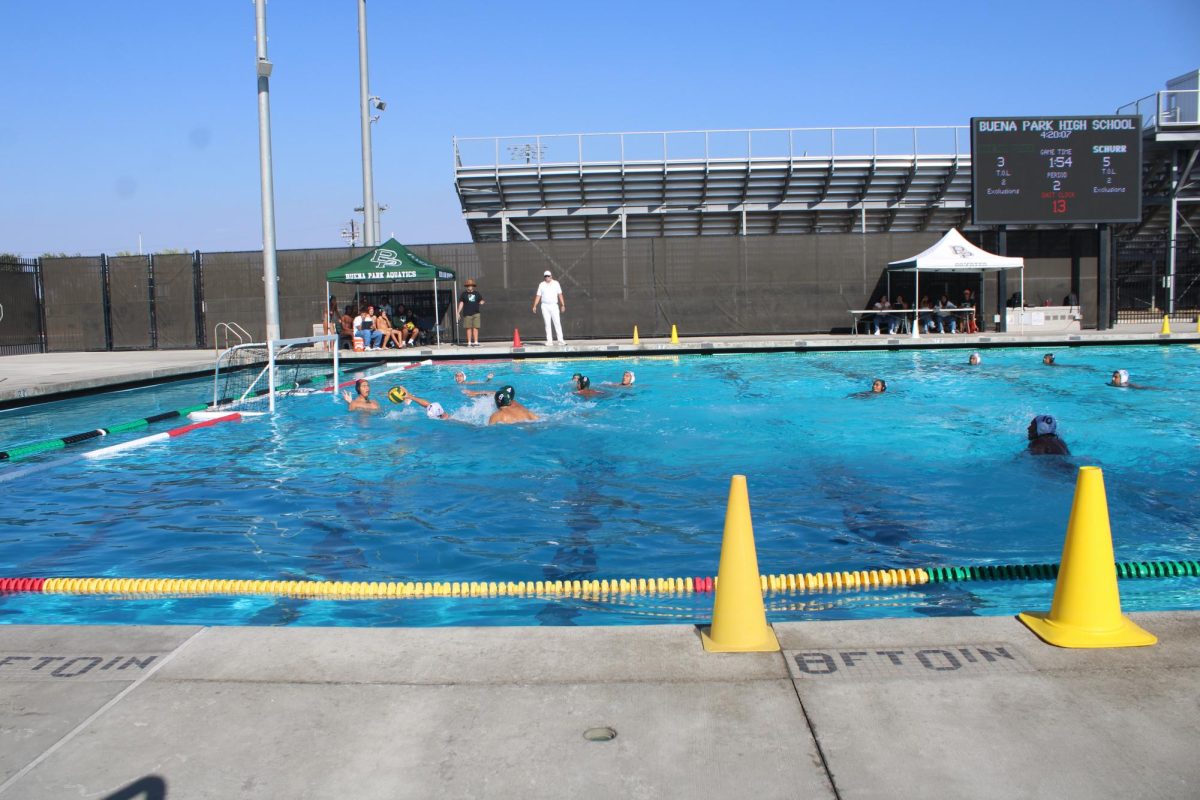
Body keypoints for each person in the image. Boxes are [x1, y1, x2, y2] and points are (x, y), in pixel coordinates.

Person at [532, 270, 566, 346]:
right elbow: (538, 296)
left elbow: (560, 294)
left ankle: (560, 340)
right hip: (545, 306)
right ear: (544, 277)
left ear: (551, 276)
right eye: (545, 276)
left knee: (557, 322)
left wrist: (563, 304)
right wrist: (534, 305)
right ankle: (549, 341)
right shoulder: (541, 285)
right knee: (547, 324)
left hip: (554, 305)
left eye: (548, 276)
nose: (547, 277)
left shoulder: (556, 283)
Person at [457, 279, 485, 347]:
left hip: (476, 313)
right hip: (467, 313)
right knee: (468, 328)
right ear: (466, 286)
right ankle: (469, 343)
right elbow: (461, 303)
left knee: (476, 328)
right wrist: (458, 312)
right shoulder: (464, 294)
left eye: (471, 285)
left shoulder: (477, 293)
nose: (470, 286)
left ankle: (475, 342)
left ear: (473, 286)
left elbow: (481, 300)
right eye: (468, 285)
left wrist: (482, 302)